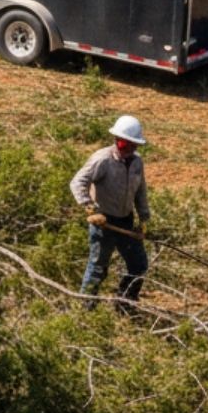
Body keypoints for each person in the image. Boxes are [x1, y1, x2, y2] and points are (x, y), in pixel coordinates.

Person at [69, 114, 151, 310]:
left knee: (139, 265)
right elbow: (78, 182)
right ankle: (85, 310)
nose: (128, 150)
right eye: (124, 145)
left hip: (126, 221)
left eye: (133, 146)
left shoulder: (137, 162)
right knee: (98, 268)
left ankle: (124, 305)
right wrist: (89, 207)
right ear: (116, 140)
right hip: (104, 223)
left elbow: (140, 191)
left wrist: (144, 219)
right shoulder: (102, 159)